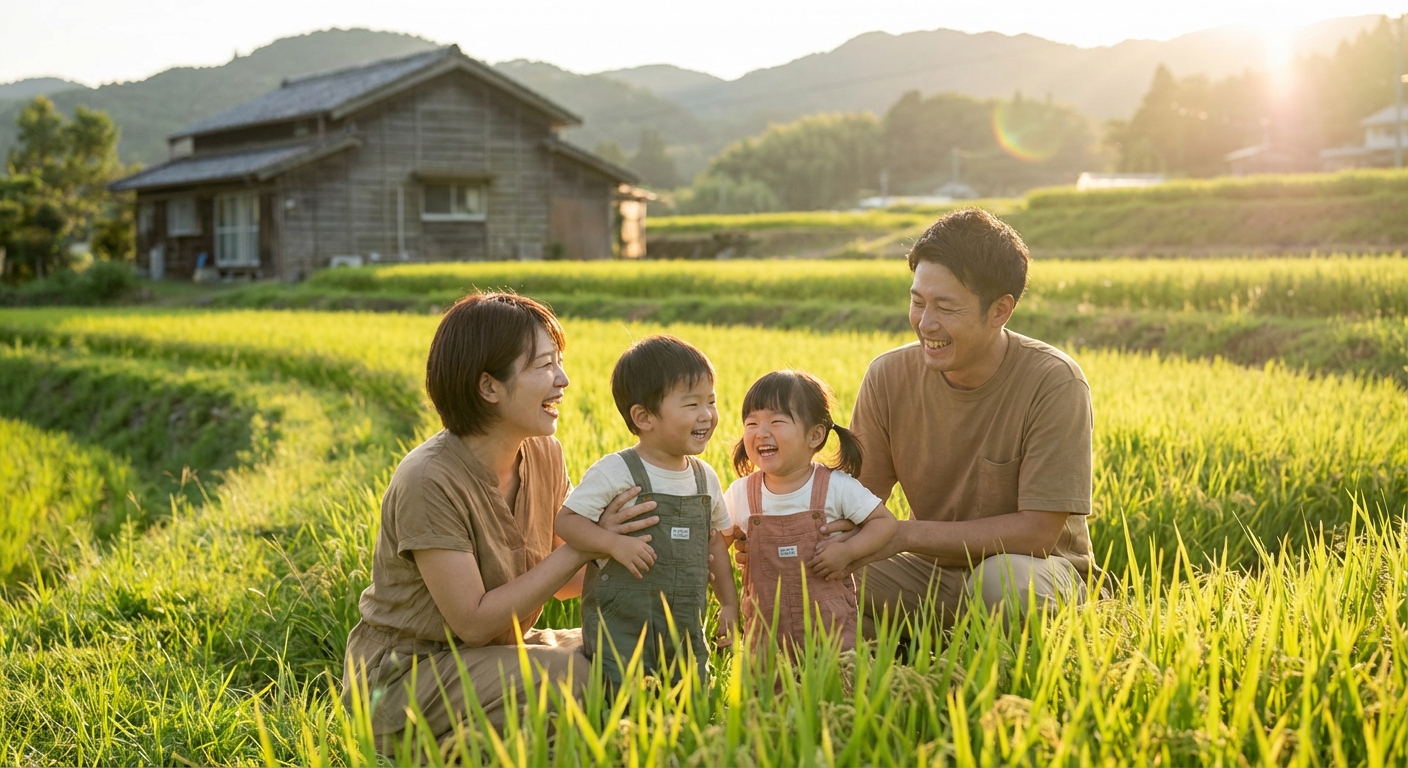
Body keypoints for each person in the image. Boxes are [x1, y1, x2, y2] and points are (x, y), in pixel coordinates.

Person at [342, 292, 660, 751]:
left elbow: (560, 576)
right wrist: (585, 546)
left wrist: (642, 542)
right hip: (408, 677)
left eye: (560, 362)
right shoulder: (429, 478)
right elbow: (473, 622)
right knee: (577, 677)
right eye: (544, 366)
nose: (563, 380)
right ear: (489, 387)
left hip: (497, 652)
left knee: (636, 654)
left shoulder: (544, 453)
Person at [840, 207, 1095, 627]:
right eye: (917, 301)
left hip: (1034, 570)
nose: (926, 323)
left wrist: (903, 534)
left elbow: (1037, 533)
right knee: (812, 574)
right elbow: (857, 503)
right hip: (927, 572)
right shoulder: (887, 376)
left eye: (946, 307)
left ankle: (971, 659)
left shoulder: (1054, 382)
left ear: (1000, 311)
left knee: (1000, 584)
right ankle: (905, 663)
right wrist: (780, 528)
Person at [554, 334, 739, 689]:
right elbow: (567, 521)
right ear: (643, 417)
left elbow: (715, 545)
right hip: (621, 632)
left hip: (686, 628)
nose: (707, 415)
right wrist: (612, 544)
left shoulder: (705, 479)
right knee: (619, 699)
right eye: (691, 405)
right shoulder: (616, 472)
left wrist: (728, 604)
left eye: (711, 402)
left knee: (690, 698)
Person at [725, 370, 897, 652]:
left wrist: (848, 551)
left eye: (776, 421)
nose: (761, 432)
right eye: (751, 423)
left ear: (815, 435)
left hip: (832, 632)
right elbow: (715, 544)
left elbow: (884, 523)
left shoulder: (836, 487)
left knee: (837, 690)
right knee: (769, 695)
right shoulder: (740, 494)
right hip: (766, 637)